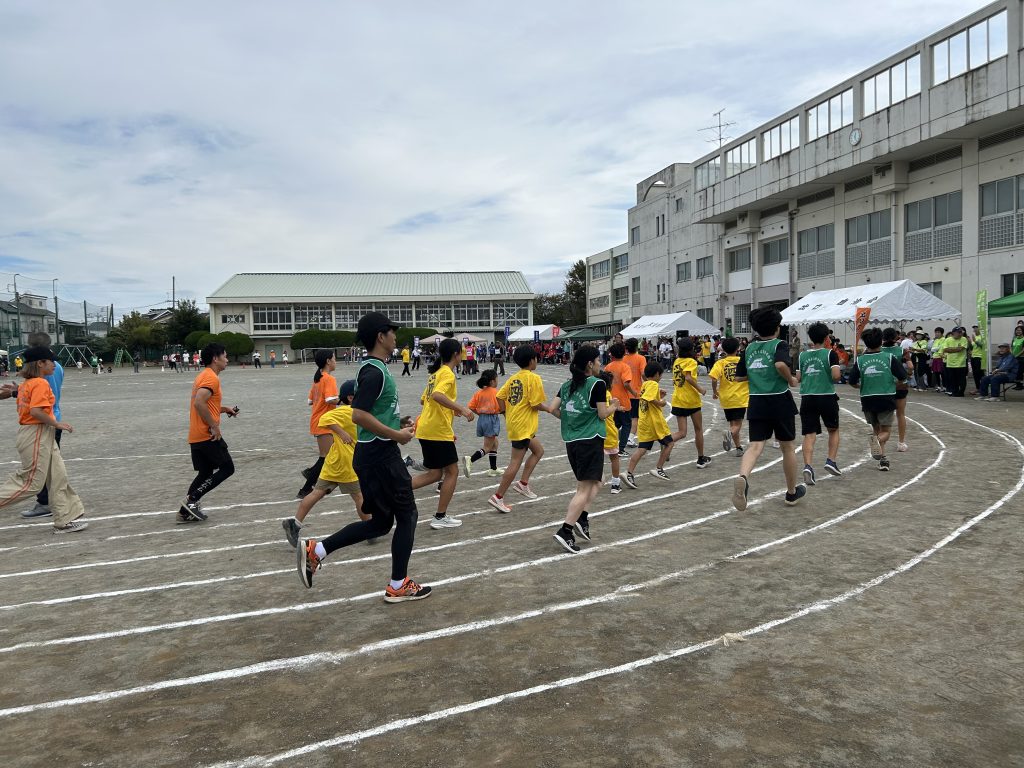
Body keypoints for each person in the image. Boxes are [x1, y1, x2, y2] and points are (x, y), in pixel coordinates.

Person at [297, 311, 431, 602]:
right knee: (408, 515)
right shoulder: (374, 371)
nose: (396, 336)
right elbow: (358, 415)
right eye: (392, 331)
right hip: (381, 456)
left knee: (382, 523)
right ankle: (398, 584)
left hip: (371, 454)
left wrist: (398, 424)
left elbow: (373, 413)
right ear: (381, 336)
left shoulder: (374, 368)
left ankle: (317, 551)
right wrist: (397, 436)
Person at [0, 346, 87, 533]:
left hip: (40, 432)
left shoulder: (28, 383)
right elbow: (36, 411)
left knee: (58, 476)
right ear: (40, 363)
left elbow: (23, 395)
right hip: (36, 433)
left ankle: (66, 518)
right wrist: (57, 424)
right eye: (50, 361)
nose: (55, 365)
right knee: (31, 482)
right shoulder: (39, 383)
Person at [283, 380, 374, 547]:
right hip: (346, 463)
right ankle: (370, 530)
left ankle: (295, 524)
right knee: (359, 496)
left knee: (317, 492)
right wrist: (341, 432)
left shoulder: (356, 411)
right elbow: (324, 418)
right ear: (351, 397)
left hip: (334, 462)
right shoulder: (348, 411)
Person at [730, 307, 804, 511]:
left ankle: (743, 477)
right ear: (777, 328)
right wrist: (790, 379)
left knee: (755, 446)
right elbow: (781, 364)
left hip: (756, 401)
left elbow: (738, 377)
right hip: (779, 400)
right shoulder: (779, 344)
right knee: (787, 447)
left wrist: (757, 374)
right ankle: (791, 493)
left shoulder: (749, 349)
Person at [548, 347, 618, 553]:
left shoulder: (566, 385)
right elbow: (603, 414)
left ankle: (582, 519)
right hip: (590, 440)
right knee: (584, 488)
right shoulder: (597, 384)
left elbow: (553, 409)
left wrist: (573, 421)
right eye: (598, 360)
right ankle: (566, 530)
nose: (600, 364)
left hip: (573, 441)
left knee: (598, 480)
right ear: (589, 364)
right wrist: (614, 405)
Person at [410, 338, 473, 529]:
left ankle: (396, 490)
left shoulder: (435, 374)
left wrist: (450, 410)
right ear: (455, 354)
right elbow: (437, 396)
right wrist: (461, 409)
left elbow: (425, 400)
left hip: (426, 428)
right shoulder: (447, 374)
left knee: (435, 473)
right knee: (452, 471)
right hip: (437, 430)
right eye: (461, 352)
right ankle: (440, 517)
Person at [179, 343, 238, 523]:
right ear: (215, 358)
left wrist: (224, 408)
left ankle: (184, 511)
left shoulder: (203, 376)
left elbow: (206, 404)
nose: (227, 360)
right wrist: (214, 425)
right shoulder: (211, 378)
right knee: (227, 468)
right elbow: (199, 403)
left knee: (205, 473)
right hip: (207, 434)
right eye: (225, 356)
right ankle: (192, 500)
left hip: (196, 434)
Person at [487, 345, 549, 513]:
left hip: (520, 425)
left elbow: (500, 396)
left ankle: (523, 484)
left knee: (538, 451)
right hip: (523, 426)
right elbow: (535, 404)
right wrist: (550, 409)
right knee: (515, 462)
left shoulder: (514, 377)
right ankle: (498, 496)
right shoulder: (533, 378)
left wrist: (505, 412)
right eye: (535, 358)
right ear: (531, 360)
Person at [847, 327, 908, 472]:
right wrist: (893, 384)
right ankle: (876, 443)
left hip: (867, 399)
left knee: (876, 428)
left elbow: (852, 381)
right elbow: (903, 377)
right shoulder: (889, 358)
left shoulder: (860, 360)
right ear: (881, 341)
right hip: (885, 397)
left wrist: (860, 386)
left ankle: (882, 459)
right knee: (885, 431)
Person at [19, 333, 66, 518]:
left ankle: (45, 502)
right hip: (54, 417)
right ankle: (54, 501)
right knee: (52, 465)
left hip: (45, 422)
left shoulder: (42, 371)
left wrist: (18, 392)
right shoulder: (57, 366)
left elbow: (38, 401)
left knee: (41, 466)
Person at [797, 322, 843, 485]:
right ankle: (831, 460)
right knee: (833, 430)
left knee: (809, 434)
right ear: (826, 338)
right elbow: (836, 375)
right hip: (826, 396)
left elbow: (798, 378)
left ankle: (808, 466)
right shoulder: (831, 354)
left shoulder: (802, 355)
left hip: (807, 397)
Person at [297, 350, 340, 499]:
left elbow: (310, 401)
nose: (335, 361)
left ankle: (317, 477)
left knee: (330, 455)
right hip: (325, 422)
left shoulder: (318, 379)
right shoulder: (328, 378)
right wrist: (345, 401)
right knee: (326, 457)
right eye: (334, 358)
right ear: (328, 361)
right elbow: (330, 399)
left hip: (318, 420)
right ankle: (306, 487)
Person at [623, 362, 674, 487]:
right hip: (654, 421)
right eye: (660, 375)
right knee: (670, 443)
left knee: (642, 449)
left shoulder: (645, 384)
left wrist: (658, 395)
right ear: (657, 374)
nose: (661, 377)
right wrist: (661, 402)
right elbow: (648, 398)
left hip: (644, 421)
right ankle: (659, 468)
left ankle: (628, 472)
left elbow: (645, 396)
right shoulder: (653, 384)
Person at [670, 339, 710, 468]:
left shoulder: (677, 361)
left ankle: (666, 441)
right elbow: (688, 377)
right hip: (691, 400)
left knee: (682, 432)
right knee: (698, 429)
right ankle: (700, 458)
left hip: (677, 399)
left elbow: (676, 380)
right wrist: (701, 389)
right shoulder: (691, 362)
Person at [709, 337, 748, 456]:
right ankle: (729, 434)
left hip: (726, 398)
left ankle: (738, 448)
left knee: (732, 423)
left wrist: (715, 391)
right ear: (738, 348)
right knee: (737, 424)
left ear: (724, 349)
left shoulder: (720, 363)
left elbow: (714, 378)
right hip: (740, 397)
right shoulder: (742, 361)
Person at [465, 368, 502, 477]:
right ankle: (470, 460)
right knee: (487, 446)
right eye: (496, 379)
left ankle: (493, 469)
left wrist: (480, 414)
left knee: (494, 443)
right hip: (491, 419)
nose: (497, 381)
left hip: (482, 419)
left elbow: (471, 406)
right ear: (492, 381)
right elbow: (502, 407)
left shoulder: (479, 393)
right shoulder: (496, 392)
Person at [603, 342, 636, 458]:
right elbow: (626, 383)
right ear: (623, 353)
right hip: (622, 401)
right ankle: (621, 448)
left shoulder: (608, 366)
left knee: (614, 423)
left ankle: (609, 444)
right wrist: (634, 393)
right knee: (627, 424)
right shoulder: (625, 366)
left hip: (611, 400)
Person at [881, 327, 911, 451]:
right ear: (896, 338)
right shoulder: (902, 350)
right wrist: (906, 375)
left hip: (882, 386)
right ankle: (901, 442)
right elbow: (910, 366)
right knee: (901, 414)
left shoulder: (878, 350)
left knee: (882, 416)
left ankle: (879, 442)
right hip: (899, 385)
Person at [623, 338, 646, 448]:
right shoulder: (641, 358)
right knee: (635, 417)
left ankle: (622, 437)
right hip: (636, 392)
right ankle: (630, 438)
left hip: (624, 393)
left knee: (624, 418)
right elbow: (643, 374)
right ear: (637, 347)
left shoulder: (622, 359)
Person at [942, 326, 969, 398]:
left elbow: (960, 349)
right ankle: (954, 392)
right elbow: (945, 349)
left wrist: (950, 349)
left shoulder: (963, 339)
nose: (960, 334)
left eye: (961, 332)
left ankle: (961, 392)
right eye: (958, 332)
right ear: (953, 333)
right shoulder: (948, 340)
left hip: (961, 363)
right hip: (950, 363)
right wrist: (955, 349)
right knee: (952, 379)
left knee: (961, 379)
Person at [970, 325, 986, 393]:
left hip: (979, 357)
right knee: (975, 374)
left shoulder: (982, 337)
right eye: (974, 328)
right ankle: (978, 388)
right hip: (973, 356)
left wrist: (975, 341)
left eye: (976, 328)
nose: (975, 329)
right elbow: (973, 347)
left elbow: (982, 345)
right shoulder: (974, 337)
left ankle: (982, 388)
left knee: (980, 373)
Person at [929, 328, 946, 392]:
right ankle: (938, 386)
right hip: (935, 358)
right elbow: (932, 349)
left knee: (942, 373)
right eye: (936, 332)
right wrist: (935, 349)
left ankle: (944, 386)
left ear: (942, 333)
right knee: (936, 373)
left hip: (940, 358)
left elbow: (940, 348)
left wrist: (935, 349)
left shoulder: (944, 339)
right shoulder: (935, 340)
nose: (937, 334)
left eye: (938, 332)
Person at [1012, 325, 1024, 390]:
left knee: (1020, 371)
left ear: (1022, 331)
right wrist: (1012, 354)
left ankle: (1020, 385)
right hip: (1014, 358)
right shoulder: (1015, 338)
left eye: (1019, 330)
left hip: (1021, 358)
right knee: (1016, 371)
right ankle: (1017, 385)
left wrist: (1017, 355)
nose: (1018, 331)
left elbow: (1023, 350)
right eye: (1017, 330)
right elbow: (1011, 347)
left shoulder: (1023, 339)